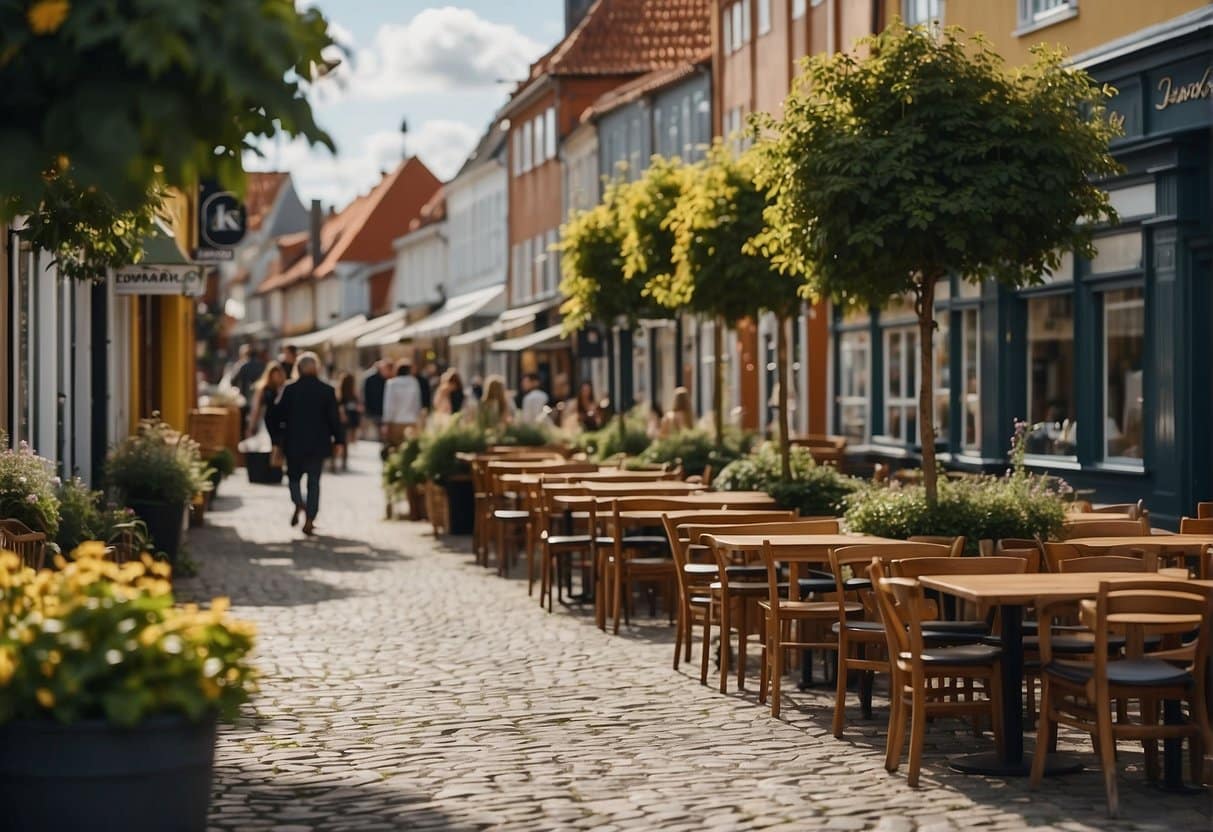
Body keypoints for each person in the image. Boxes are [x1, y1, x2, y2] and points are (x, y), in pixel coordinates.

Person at [269, 352, 344, 536]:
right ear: (316, 368)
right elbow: (334, 419)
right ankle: (309, 518)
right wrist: (339, 440)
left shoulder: (289, 389)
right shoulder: (326, 390)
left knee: (293, 479)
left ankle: (299, 503)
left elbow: (274, 415)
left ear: (299, 369)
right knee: (314, 482)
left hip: (293, 443)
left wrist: (277, 438)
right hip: (317, 444)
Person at [382, 358, 424, 447]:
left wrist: (387, 421)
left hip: (395, 421)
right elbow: (417, 402)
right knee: (409, 449)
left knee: (395, 448)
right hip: (411, 420)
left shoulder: (391, 383)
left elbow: (389, 404)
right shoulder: (414, 382)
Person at [247, 361, 286, 439]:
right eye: (274, 375)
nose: (276, 378)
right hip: (265, 421)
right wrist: (252, 425)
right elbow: (256, 408)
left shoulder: (284, 388)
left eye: (278, 375)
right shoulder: (264, 389)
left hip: (280, 422)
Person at [335, 372, 362, 470]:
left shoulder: (342, 394)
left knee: (342, 442)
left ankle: (339, 461)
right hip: (349, 420)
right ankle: (342, 461)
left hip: (344, 420)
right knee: (344, 442)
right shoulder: (350, 395)